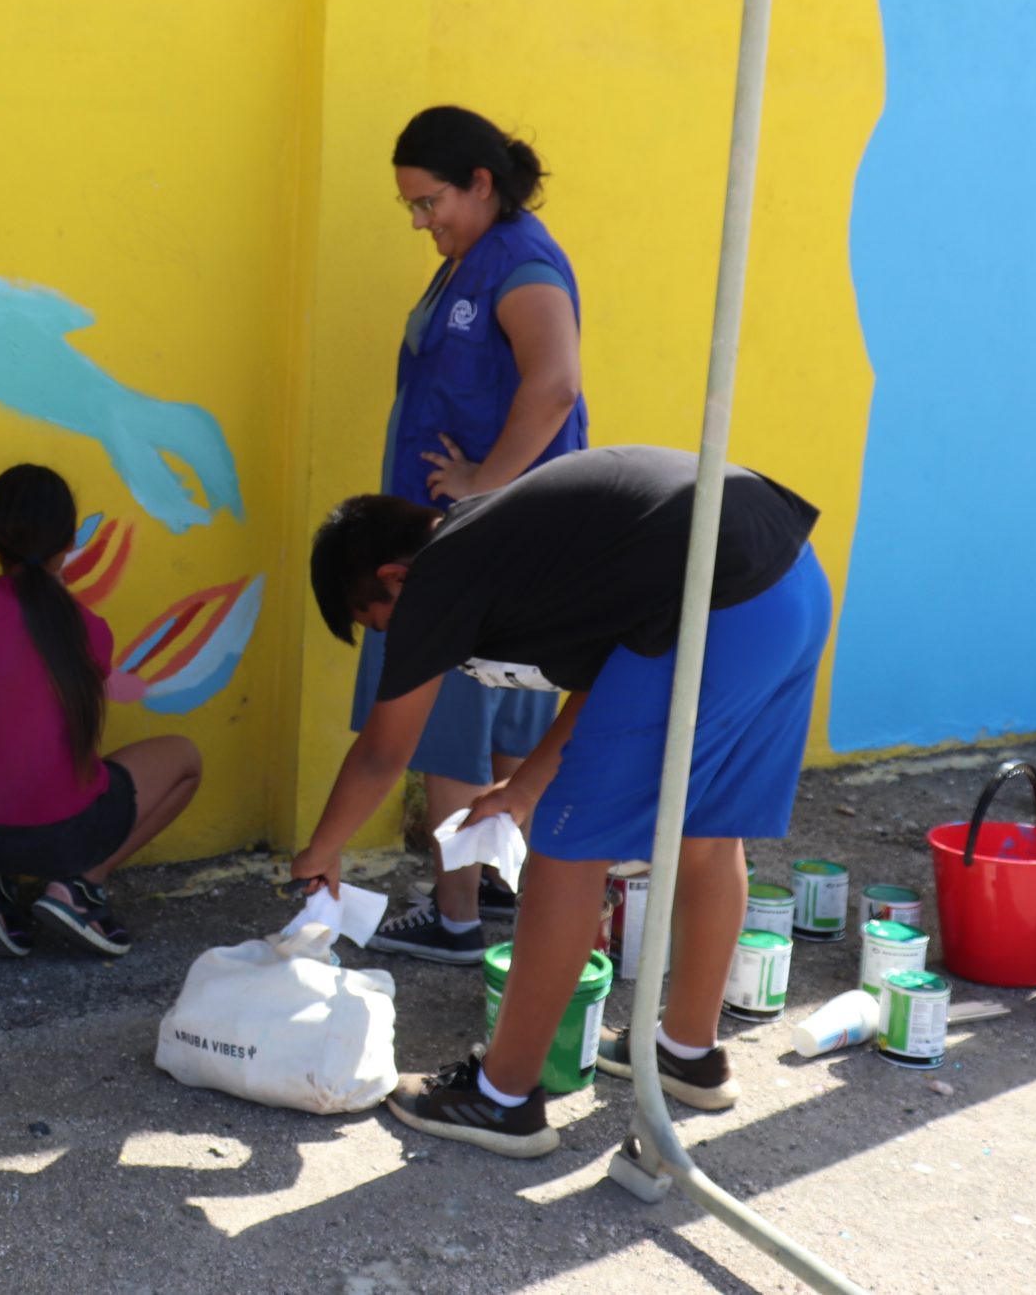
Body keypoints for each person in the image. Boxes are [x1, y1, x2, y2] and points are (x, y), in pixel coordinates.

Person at [291, 446, 829, 1159]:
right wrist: (522, 786)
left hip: (720, 598)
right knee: (707, 829)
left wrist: (319, 851)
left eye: (383, 624)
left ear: (395, 576)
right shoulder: (514, 545)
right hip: (788, 588)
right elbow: (617, 664)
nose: (404, 644)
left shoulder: (443, 569)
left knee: (567, 850)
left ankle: (502, 1096)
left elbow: (384, 752)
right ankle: (687, 1054)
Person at [358, 106, 589, 966]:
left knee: (452, 722)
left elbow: (555, 384)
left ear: (480, 184)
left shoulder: (521, 262)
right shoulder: (477, 257)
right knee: (501, 716)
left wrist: (480, 488)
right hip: (492, 537)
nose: (422, 222)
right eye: (411, 208)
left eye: (431, 203)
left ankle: (456, 916)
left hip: (484, 538)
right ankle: (498, 890)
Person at [0, 466, 203, 957]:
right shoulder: (91, 631)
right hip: (62, 839)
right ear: (72, 540)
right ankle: (78, 888)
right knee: (185, 758)